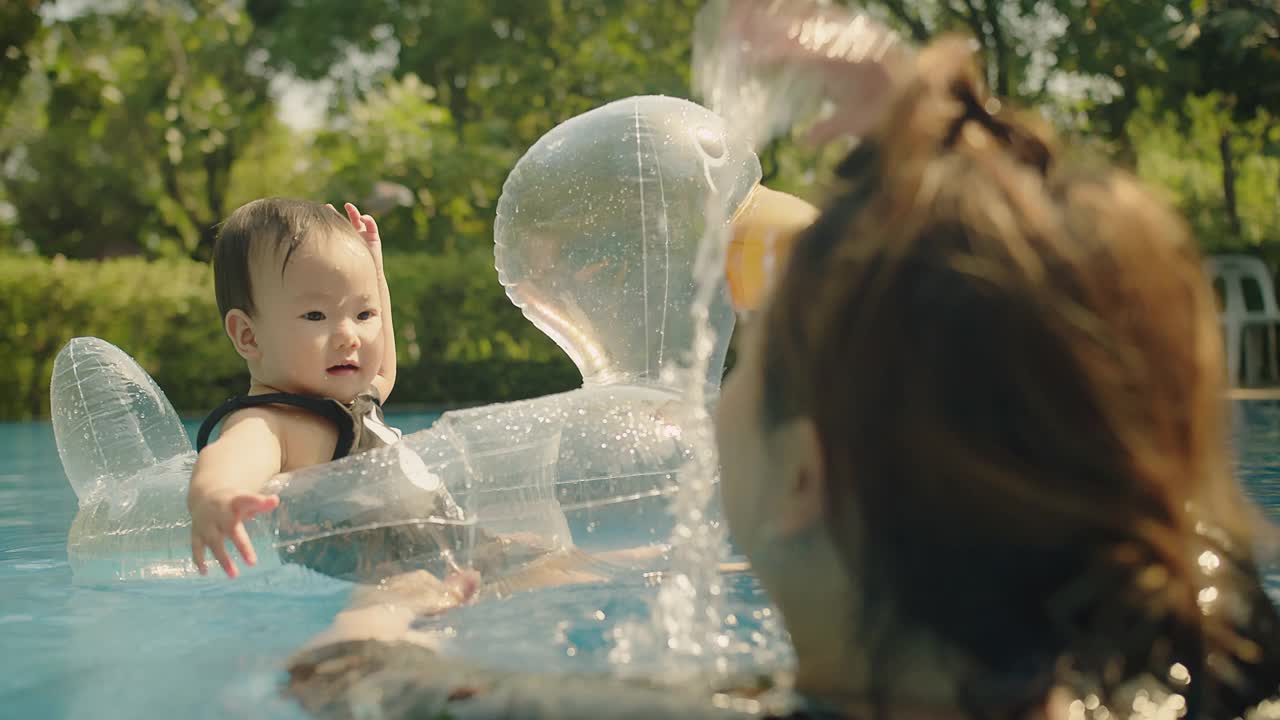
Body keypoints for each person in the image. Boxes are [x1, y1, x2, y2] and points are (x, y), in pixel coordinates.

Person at [288, 26, 1280, 720]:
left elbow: (350, 685)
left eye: (748, 369)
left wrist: (385, 613)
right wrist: (960, 169)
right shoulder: (1171, 677)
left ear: (803, 477)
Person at [187, 198, 404, 578]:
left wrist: (377, 271)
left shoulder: (357, 397)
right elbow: (229, 457)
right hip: (375, 577)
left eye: (363, 314)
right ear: (249, 336)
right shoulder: (274, 423)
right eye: (316, 316)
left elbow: (384, 364)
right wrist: (216, 495)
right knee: (385, 616)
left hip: (435, 552)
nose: (349, 337)